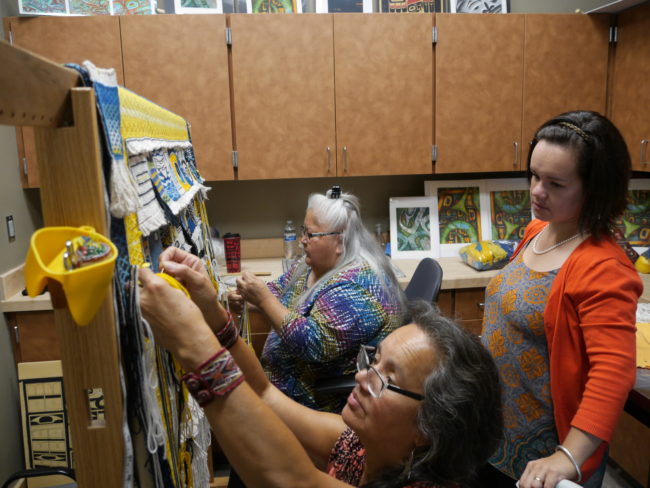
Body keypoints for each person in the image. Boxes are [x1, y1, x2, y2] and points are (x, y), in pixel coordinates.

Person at [138, 255, 503, 488]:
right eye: (372, 362)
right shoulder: (361, 447)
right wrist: (211, 312)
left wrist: (194, 345)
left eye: (384, 379)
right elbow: (266, 395)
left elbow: (286, 479)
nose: (362, 377)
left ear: (427, 428)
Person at [479, 110, 643, 488]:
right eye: (535, 175)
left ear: (595, 189)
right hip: (494, 434)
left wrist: (567, 457)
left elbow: (614, 374)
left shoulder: (603, 266)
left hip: (544, 456)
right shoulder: (539, 229)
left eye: (555, 183)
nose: (537, 191)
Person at [230, 186, 405, 412]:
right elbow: (280, 290)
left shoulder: (358, 287)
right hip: (283, 388)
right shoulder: (313, 264)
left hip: (318, 403)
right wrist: (248, 297)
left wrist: (263, 300)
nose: (302, 240)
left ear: (340, 240)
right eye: (304, 231)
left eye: (310, 235)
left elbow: (312, 344)